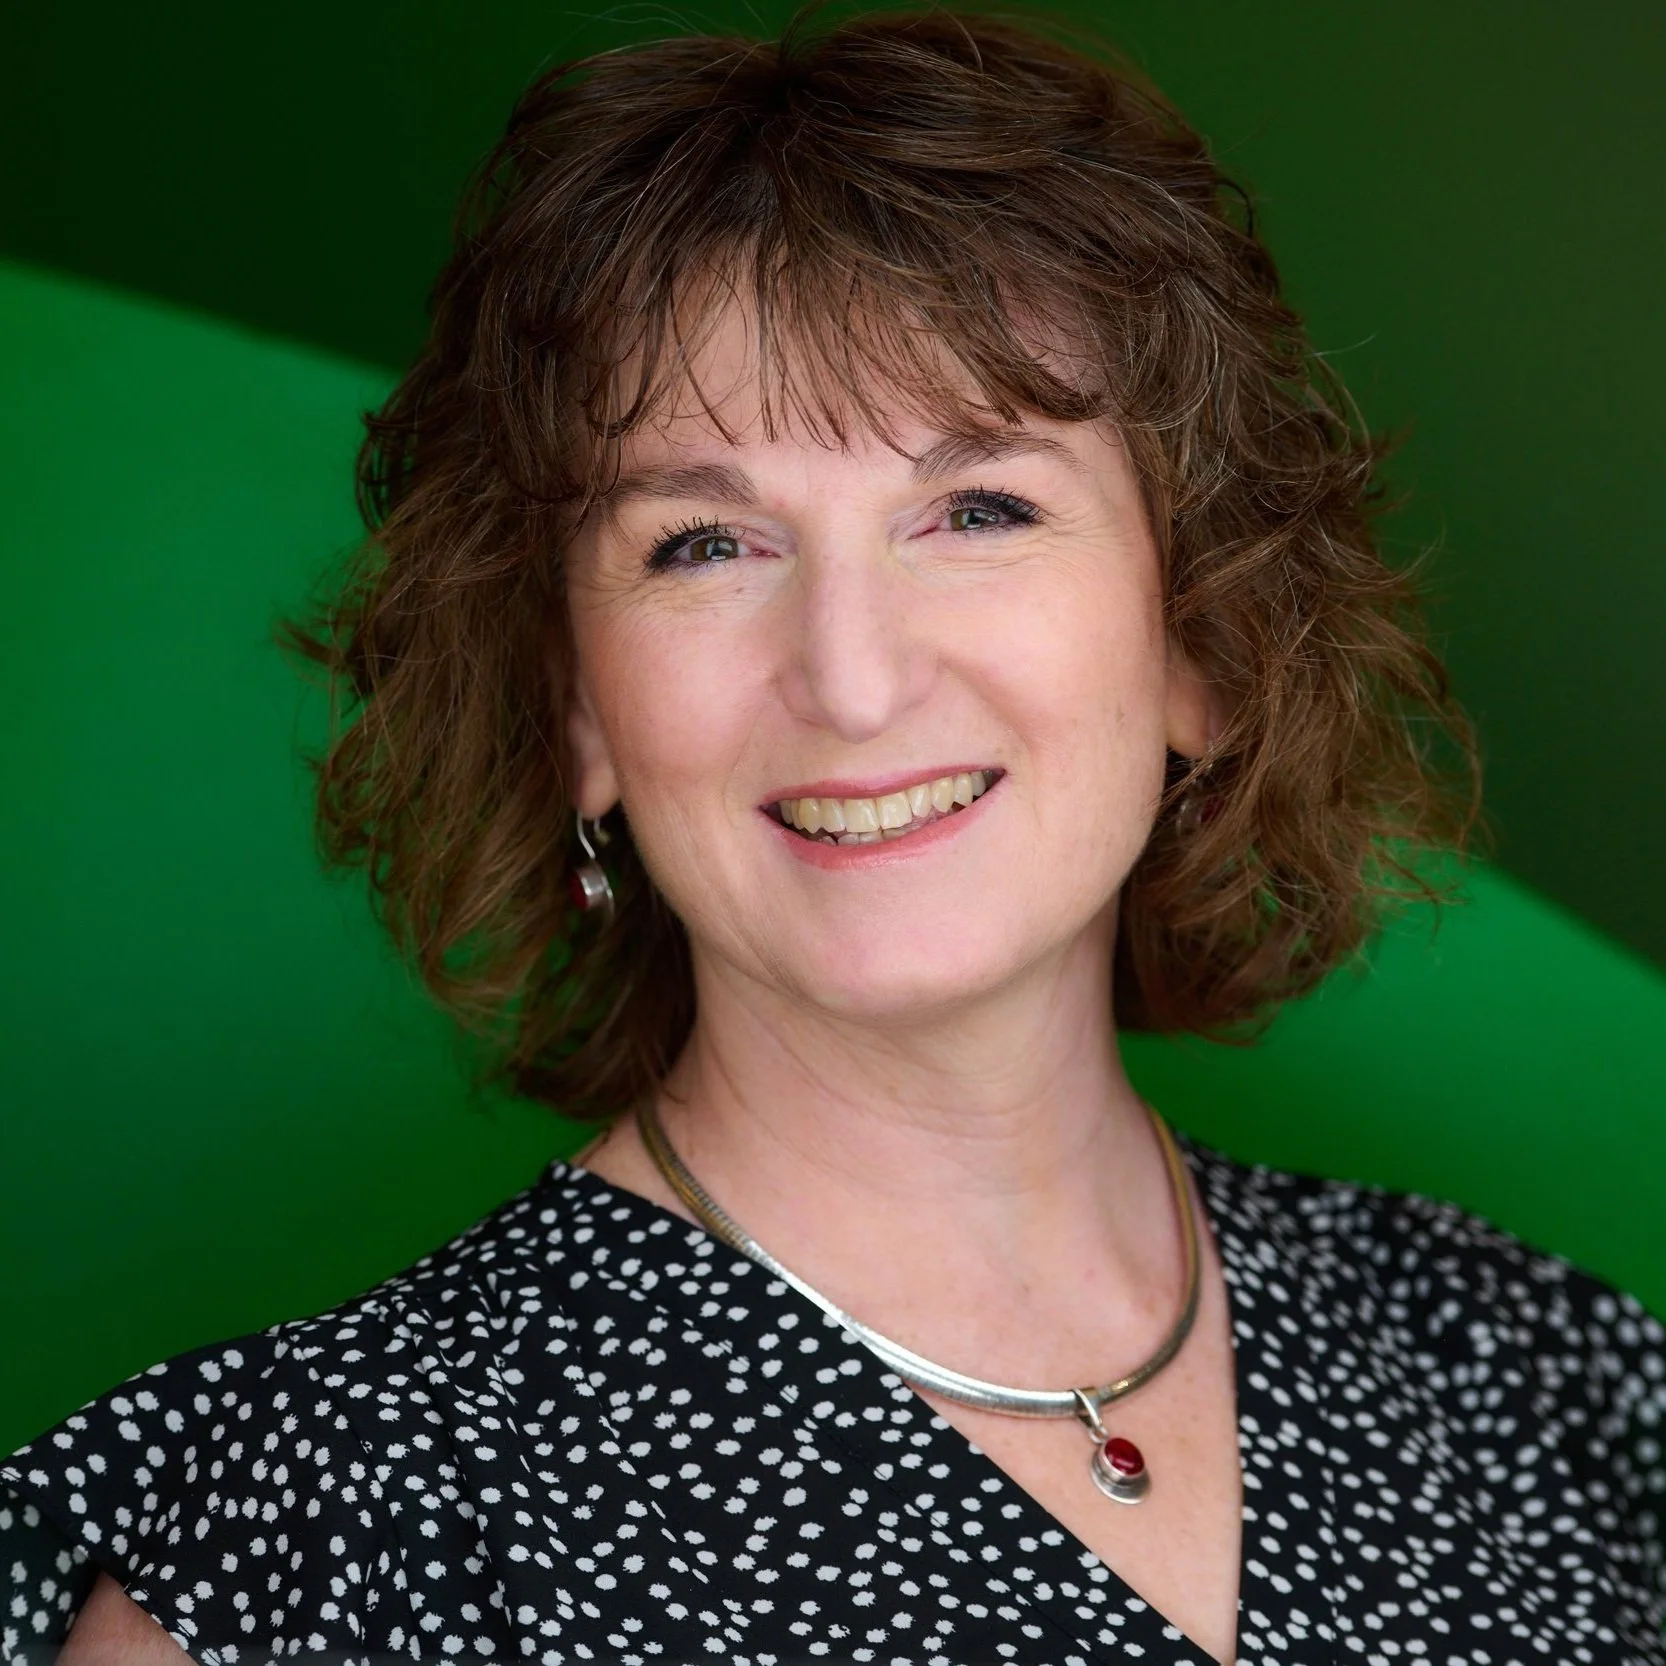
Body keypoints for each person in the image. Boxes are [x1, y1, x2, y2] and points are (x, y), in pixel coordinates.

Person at [4, 10, 1663, 1665]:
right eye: (707, 542)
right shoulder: (324, 1519)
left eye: (977, 509)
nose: (853, 679)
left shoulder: (1527, 1363)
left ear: (1198, 643)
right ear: (578, 709)